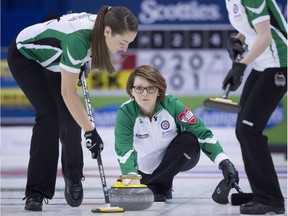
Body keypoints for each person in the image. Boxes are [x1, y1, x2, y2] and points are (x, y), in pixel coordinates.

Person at [7, 5, 138, 211]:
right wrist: (91, 131)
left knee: (71, 118)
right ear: (107, 31)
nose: (125, 49)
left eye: (129, 43)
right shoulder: (78, 40)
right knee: (49, 117)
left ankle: (74, 177)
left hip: (56, 59)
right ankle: (36, 191)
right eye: (123, 42)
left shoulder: (106, 22)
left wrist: (84, 61)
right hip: (28, 56)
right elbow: (68, 94)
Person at [113, 65, 239, 202]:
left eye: (150, 88)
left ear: (159, 90)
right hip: (143, 171)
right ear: (131, 91)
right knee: (150, 185)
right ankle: (160, 186)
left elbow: (202, 133)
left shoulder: (171, 104)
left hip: (179, 158)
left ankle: (157, 186)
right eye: (139, 88)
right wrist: (131, 178)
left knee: (190, 140)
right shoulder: (125, 112)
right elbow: (124, 149)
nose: (144, 93)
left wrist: (224, 162)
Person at [223, 0, 287, 215]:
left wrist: (240, 65)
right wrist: (238, 39)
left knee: (249, 130)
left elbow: (266, 36)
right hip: (263, 64)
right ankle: (262, 192)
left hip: (280, 64)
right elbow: (252, 26)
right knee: (243, 129)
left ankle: (271, 200)